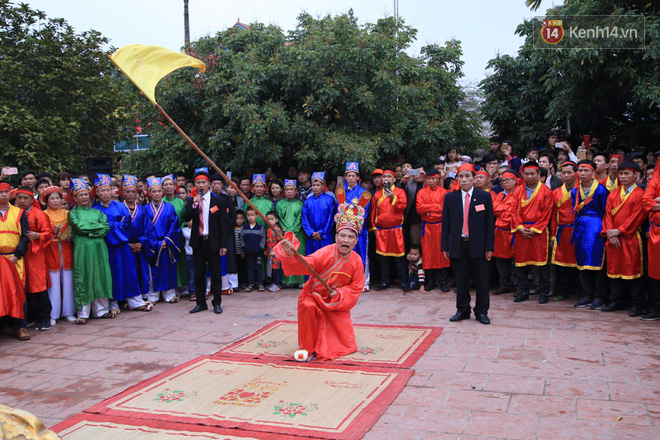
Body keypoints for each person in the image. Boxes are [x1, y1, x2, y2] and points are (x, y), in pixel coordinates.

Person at [273, 198, 367, 360]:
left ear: (356, 240)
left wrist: (338, 295)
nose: (345, 240)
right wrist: (290, 253)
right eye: (342, 235)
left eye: (350, 237)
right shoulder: (326, 252)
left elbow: (356, 288)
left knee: (346, 346)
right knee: (308, 305)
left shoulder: (357, 261)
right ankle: (308, 347)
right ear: (335, 237)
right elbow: (307, 264)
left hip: (337, 304)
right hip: (314, 297)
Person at [441, 164, 494, 325]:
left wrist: (489, 247)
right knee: (461, 280)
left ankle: (482, 311)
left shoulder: (484, 196)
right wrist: (445, 246)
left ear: (474, 179)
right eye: (461, 177)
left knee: (482, 281)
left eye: (468, 176)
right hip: (458, 244)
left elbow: (489, 224)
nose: (464, 180)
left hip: (478, 244)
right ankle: (462, 310)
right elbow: (446, 224)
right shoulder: (451, 198)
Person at [93, 174, 148, 314]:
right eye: (102, 190)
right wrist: (114, 226)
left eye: (108, 190)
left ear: (113, 191)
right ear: (97, 192)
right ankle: (113, 304)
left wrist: (110, 227)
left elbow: (126, 224)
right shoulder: (95, 210)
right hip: (106, 248)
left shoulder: (120, 206)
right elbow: (99, 229)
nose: (106, 193)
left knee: (129, 272)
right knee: (111, 274)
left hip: (123, 247)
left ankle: (135, 301)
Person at [600, 161, 647, 315]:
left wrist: (619, 231)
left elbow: (637, 216)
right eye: (621, 173)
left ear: (636, 175)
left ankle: (636, 304)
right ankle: (616, 300)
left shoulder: (641, 194)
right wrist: (609, 232)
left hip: (631, 237)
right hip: (613, 238)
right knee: (613, 269)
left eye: (627, 173)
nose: (623, 176)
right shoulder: (613, 194)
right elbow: (607, 215)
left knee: (633, 270)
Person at [184, 170, 230, 314]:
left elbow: (224, 225)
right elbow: (185, 217)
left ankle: (216, 303)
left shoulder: (219, 201)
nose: (201, 185)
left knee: (216, 274)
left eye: (203, 182)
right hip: (198, 242)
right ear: (195, 185)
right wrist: (193, 205)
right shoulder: (192, 200)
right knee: (199, 274)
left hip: (213, 241)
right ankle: (200, 303)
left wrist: (223, 245)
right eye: (198, 182)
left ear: (209, 184)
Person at [67, 178, 113, 324]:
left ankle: (101, 311)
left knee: (100, 274)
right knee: (84, 276)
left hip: (99, 248)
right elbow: (79, 227)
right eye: (81, 195)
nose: (84, 197)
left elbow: (105, 228)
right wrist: (95, 230)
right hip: (82, 249)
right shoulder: (73, 214)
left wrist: (90, 231)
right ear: (75, 198)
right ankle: (83, 313)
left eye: (86, 194)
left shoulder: (97, 212)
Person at [510, 161, 553, 304]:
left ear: (539, 174)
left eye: (532, 174)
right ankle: (523, 291)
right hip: (521, 231)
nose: (529, 177)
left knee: (542, 264)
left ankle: (544, 292)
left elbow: (547, 213)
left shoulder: (546, 192)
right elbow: (514, 211)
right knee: (521, 264)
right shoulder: (518, 191)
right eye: (526, 174)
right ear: (522, 175)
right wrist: (520, 228)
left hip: (538, 233)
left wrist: (534, 230)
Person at [14, 186, 53, 330]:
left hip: (35, 255)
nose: (22, 201)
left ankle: (45, 319)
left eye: (26, 198)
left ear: (32, 199)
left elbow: (48, 234)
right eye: (20, 198)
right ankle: (29, 318)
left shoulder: (39, 214)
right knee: (23, 287)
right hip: (18, 255)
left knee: (39, 287)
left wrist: (38, 236)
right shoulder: (14, 213)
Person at [573, 160, 610, 309]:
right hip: (581, 227)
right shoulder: (575, 191)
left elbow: (605, 211)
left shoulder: (601, 190)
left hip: (596, 227)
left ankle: (600, 296)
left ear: (593, 173)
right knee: (582, 261)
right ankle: (587, 294)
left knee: (597, 262)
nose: (582, 173)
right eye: (580, 170)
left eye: (585, 170)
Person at [143, 177, 182, 304]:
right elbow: (146, 228)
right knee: (153, 269)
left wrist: (167, 240)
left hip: (167, 243)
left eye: (159, 191)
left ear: (162, 192)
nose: (156, 194)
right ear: (149, 193)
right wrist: (155, 242)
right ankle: (153, 295)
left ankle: (169, 294)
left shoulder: (169, 208)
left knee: (168, 268)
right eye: (153, 191)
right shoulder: (145, 209)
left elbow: (174, 225)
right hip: (154, 245)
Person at [0, 181, 31, 341]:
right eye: (1, 192)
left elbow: (25, 237)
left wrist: (16, 255)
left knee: (18, 292)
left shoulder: (19, 213)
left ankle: (21, 326)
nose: (4, 195)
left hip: (14, 259)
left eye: (6, 192)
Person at [42, 186, 75, 323]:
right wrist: (51, 231)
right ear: (46, 201)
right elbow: (41, 233)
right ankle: (53, 314)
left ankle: (69, 312)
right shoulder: (43, 214)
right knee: (53, 283)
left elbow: (74, 230)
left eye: (58, 198)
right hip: (51, 248)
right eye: (52, 198)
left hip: (67, 248)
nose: (55, 201)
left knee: (68, 282)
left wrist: (70, 236)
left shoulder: (68, 214)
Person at [371, 170, 408, 293]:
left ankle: (403, 281)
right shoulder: (377, 195)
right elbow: (373, 213)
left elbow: (402, 207)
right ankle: (384, 281)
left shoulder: (400, 192)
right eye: (384, 176)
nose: (386, 178)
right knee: (382, 258)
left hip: (396, 230)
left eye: (389, 176)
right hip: (381, 231)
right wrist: (374, 229)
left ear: (394, 180)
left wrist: (393, 197)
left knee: (399, 257)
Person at [415, 168, 450, 292]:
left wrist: (429, 210)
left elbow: (444, 209)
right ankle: (430, 282)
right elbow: (419, 208)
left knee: (441, 254)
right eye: (428, 178)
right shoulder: (421, 192)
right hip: (427, 227)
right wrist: (436, 207)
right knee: (428, 253)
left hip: (440, 226)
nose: (430, 181)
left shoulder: (444, 192)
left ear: (437, 179)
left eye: (433, 178)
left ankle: (443, 282)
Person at [339, 162, 371, 290]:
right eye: (349, 176)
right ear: (345, 177)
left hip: (359, 230)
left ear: (358, 177)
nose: (351, 178)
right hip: (345, 229)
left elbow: (365, 211)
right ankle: (347, 280)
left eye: (353, 176)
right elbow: (339, 211)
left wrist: (355, 226)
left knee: (362, 254)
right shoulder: (341, 192)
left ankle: (364, 282)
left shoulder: (364, 193)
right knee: (345, 254)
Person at [549, 162, 579, 301]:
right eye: (563, 173)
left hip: (578, 230)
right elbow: (554, 215)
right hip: (562, 231)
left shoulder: (582, 191)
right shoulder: (556, 192)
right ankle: (563, 291)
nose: (566, 176)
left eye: (569, 172)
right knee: (561, 263)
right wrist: (553, 234)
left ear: (576, 173)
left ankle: (581, 291)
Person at [121, 175, 151, 302]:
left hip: (140, 246)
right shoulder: (119, 208)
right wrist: (128, 245)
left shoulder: (142, 209)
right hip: (125, 247)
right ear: (123, 193)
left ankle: (143, 296)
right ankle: (129, 298)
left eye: (133, 191)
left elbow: (148, 229)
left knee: (141, 270)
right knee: (127, 272)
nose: (131, 194)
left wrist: (141, 243)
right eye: (128, 191)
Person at [491, 170, 518, 295]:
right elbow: (493, 208)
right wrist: (505, 209)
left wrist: (501, 210)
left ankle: (518, 285)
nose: (504, 182)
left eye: (507, 180)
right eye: (502, 180)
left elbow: (513, 213)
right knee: (500, 260)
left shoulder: (518, 194)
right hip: (499, 232)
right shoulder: (500, 194)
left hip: (512, 231)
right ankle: (504, 284)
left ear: (515, 181)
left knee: (516, 260)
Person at [277, 180, 307, 287]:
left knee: (299, 255)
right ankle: (287, 280)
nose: (289, 191)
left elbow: (300, 218)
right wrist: (286, 230)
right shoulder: (280, 204)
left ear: (295, 191)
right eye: (287, 189)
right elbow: (279, 218)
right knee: (287, 255)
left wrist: (292, 230)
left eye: (291, 189)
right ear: (284, 191)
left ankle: (300, 280)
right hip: (284, 234)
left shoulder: (300, 204)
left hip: (298, 234)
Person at [163, 174, 189, 296]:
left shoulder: (181, 202)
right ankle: (172, 287)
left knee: (182, 262)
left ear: (175, 186)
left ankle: (183, 285)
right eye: (165, 185)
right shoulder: (160, 202)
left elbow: (185, 218)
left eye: (170, 184)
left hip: (180, 237)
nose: (168, 187)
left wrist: (181, 230)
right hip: (166, 239)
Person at [642, 154, 660, 320]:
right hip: (656, 233)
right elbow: (647, 202)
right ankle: (656, 307)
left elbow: (652, 203)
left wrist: (658, 202)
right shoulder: (654, 181)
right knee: (654, 271)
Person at [302, 172, 336, 255]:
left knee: (326, 258)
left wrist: (321, 232)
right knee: (312, 259)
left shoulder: (329, 200)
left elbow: (331, 219)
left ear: (322, 186)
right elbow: (304, 219)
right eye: (313, 185)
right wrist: (311, 232)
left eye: (318, 185)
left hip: (325, 236)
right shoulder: (307, 202)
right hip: (311, 236)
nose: (315, 187)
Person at [242, 206, 266, 292]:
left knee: (259, 268)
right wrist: (244, 248)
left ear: (256, 216)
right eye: (248, 215)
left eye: (252, 215)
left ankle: (260, 284)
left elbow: (263, 238)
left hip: (258, 252)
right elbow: (241, 239)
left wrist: (260, 248)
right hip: (248, 252)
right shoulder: (244, 228)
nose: (250, 217)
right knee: (250, 268)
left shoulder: (260, 227)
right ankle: (251, 284)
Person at [265, 211, 284, 292]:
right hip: (270, 253)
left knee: (277, 270)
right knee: (271, 269)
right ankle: (273, 283)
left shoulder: (278, 230)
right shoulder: (268, 229)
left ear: (276, 220)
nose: (270, 221)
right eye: (268, 219)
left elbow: (280, 243)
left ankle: (277, 284)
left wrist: (275, 251)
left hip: (276, 254)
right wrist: (266, 250)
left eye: (272, 219)